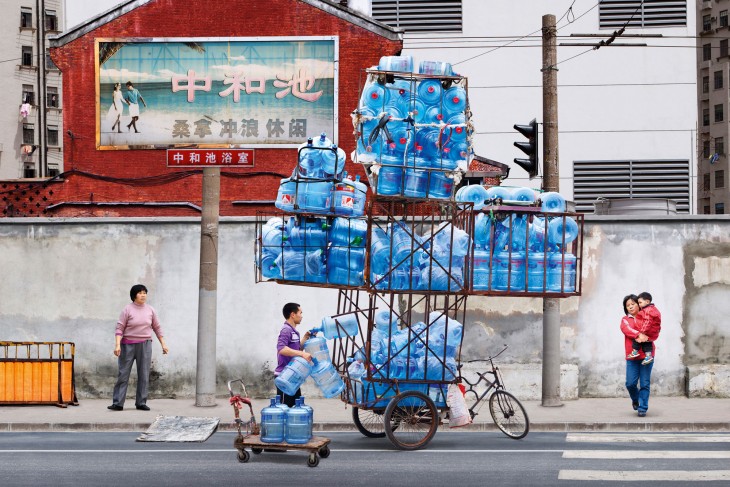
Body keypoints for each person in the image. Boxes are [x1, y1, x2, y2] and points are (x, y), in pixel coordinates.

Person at [109, 284, 168, 411]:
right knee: (123, 373)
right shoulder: (127, 309)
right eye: (140, 293)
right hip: (127, 345)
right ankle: (118, 403)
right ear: (134, 295)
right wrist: (117, 345)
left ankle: (141, 402)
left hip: (145, 345)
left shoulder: (150, 310)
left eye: (145, 293)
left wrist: (163, 344)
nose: (143, 295)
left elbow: (157, 327)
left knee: (144, 374)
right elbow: (119, 328)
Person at [620, 294, 655, 417]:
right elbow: (627, 329)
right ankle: (636, 399)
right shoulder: (625, 319)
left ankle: (642, 407)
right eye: (627, 305)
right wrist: (639, 335)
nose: (630, 307)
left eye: (633, 304)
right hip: (632, 357)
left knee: (644, 383)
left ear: (639, 304)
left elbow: (654, 329)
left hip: (647, 355)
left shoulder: (647, 317)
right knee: (630, 383)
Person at [275, 302, 312, 407]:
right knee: (284, 409)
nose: (302, 316)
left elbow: (295, 349)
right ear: (293, 314)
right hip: (284, 377)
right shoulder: (286, 330)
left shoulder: (294, 331)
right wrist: (302, 354)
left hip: (293, 376)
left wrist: (305, 338)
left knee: (295, 408)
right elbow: (281, 348)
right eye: (300, 312)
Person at [627, 291, 662, 365]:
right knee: (647, 343)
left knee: (637, 338)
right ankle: (648, 356)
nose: (639, 305)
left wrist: (641, 332)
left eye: (640, 302)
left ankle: (635, 352)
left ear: (647, 301)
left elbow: (647, 322)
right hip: (653, 332)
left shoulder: (648, 310)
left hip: (648, 331)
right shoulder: (654, 309)